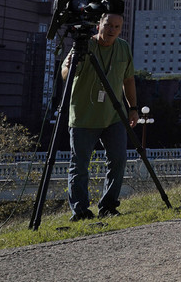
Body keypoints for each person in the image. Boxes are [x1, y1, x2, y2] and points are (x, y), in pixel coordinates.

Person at [61, 13, 138, 221]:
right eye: (108, 25)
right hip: (84, 116)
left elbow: (128, 79)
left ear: (121, 29)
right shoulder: (84, 44)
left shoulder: (123, 47)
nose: (112, 30)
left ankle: (108, 206)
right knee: (79, 165)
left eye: (116, 26)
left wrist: (133, 107)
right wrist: (71, 65)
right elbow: (65, 73)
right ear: (98, 26)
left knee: (118, 160)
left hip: (113, 115)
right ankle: (80, 210)